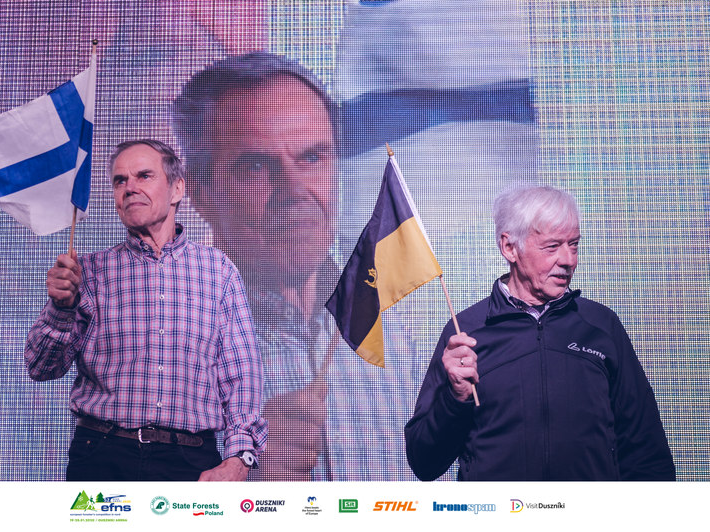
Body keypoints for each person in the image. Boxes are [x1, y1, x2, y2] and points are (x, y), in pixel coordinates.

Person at [173, 52, 415, 480]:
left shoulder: (399, 335)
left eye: (313, 157)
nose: (295, 189)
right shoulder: (155, 346)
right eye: (255, 166)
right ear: (200, 194)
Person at [25, 139, 266, 481]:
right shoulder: (87, 272)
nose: (129, 188)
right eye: (120, 180)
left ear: (177, 189)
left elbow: (242, 375)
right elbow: (41, 367)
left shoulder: (218, 270)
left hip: (191, 462)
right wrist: (61, 308)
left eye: (144, 176)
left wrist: (240, 458)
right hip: (102, 455)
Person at [405, 186, 676, 481]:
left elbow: (646, 452)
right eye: (552, 246)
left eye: (574, 245)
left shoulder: (601, 326)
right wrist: (455, 398)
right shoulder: (465, 333)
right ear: (510, 248)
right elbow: (424, 462)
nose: (568, 259)